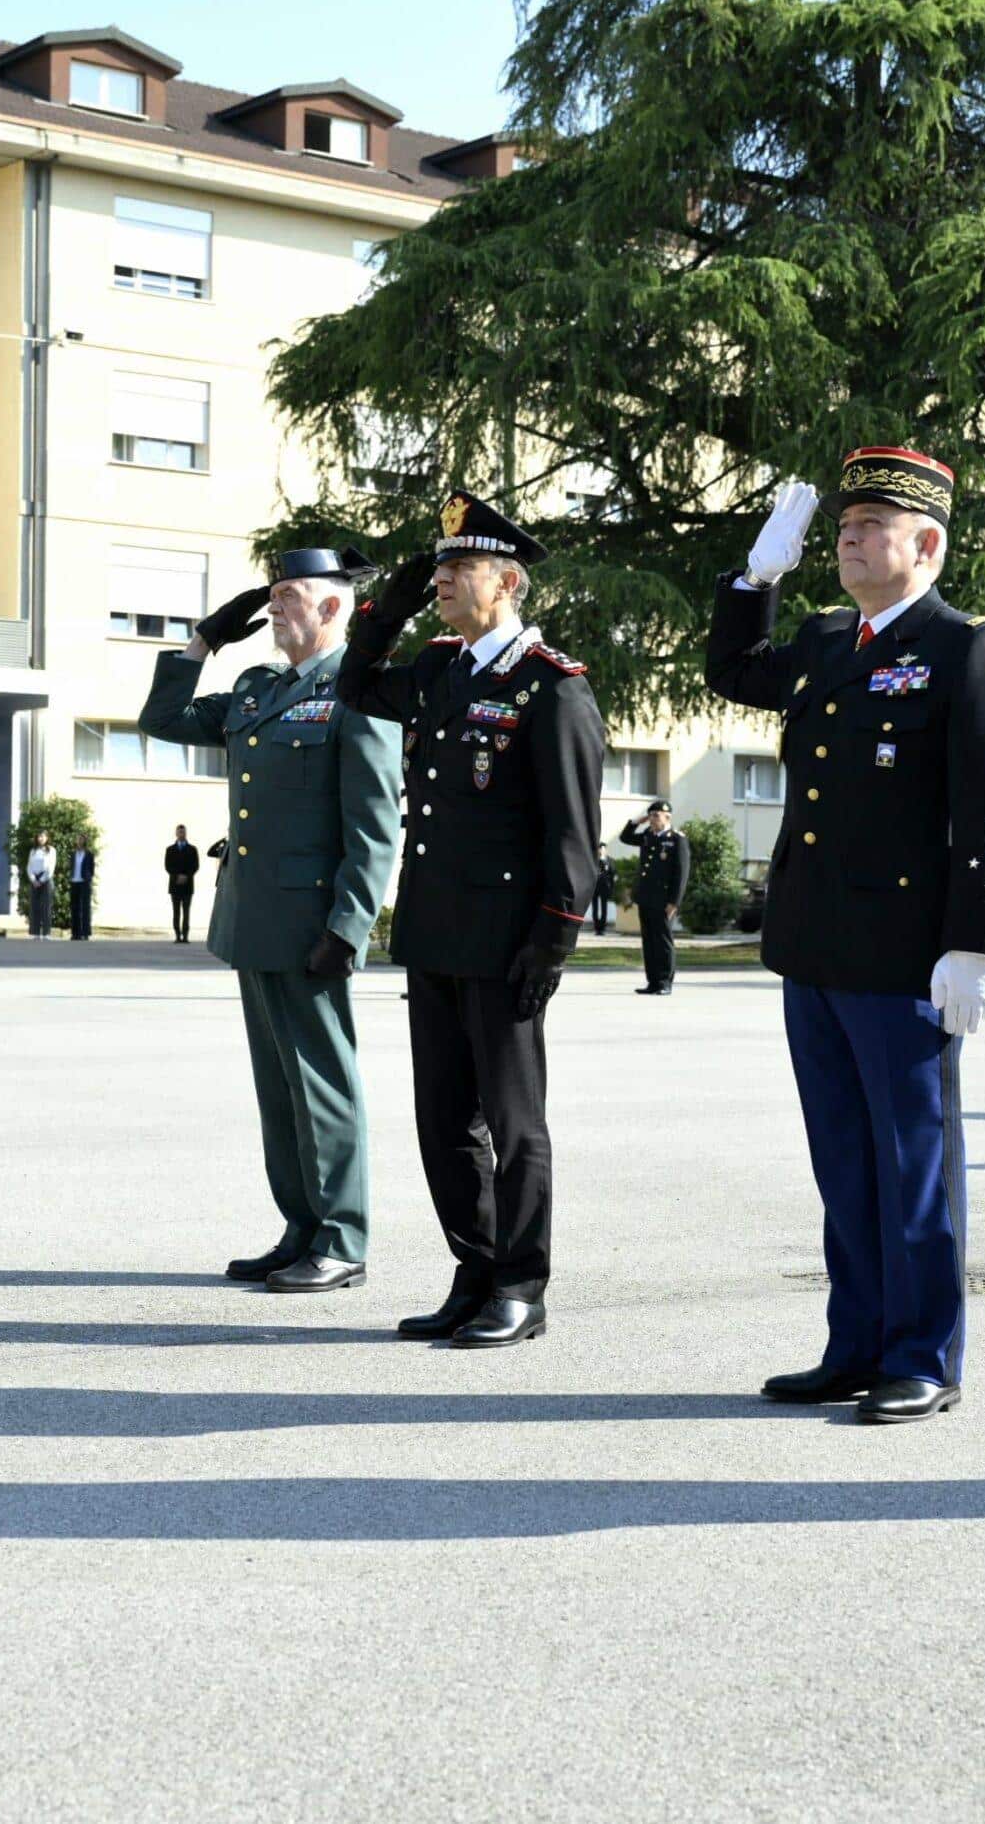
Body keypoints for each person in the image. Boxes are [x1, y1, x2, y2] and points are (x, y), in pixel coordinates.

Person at [709, 447, 985, 1424]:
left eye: (870, 527)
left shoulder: (964, 645)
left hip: (903, 955)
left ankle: (922, 1354)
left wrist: (978, 942)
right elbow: (731, 670)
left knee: (912, 1166)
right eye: (843, 528)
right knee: (843, 1160)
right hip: (813, 946)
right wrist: (753, 579)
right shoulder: (823, 639)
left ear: (925, 543)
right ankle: (853, 1343)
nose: (848, 541)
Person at [337, 492, 603, 1348]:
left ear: (510, 582)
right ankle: (476, 1273)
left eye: (461, 569)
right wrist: (394, 602)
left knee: (515, 1123)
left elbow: (572, 829)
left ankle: (522, 1287)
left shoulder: (550, 687)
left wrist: (553, 938)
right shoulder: (444, 667)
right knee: (444, 1120)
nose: (447, 580)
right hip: (436, 930)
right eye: (441, 568)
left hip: (507, 943)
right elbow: (356, 684)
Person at [143, 547, 406, 1294]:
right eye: (274, 593)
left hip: (313, 924)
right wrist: (201, 643)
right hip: (254, 919)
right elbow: (161, 718)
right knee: (280, 1088)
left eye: (289, 594)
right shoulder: (258, 689)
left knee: (324, 1085)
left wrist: (348, 929)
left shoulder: (361, 692)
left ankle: (343, 1238)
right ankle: (300, 1229)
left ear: (331, 607)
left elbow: (374, 828)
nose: (274, 606)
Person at [619, 801, 689, 995]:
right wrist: (636, 821)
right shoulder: (648, 836)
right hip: (646, 898)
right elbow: (625, 837)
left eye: (656, 815)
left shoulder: (676, 839)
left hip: (664, 900)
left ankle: (665, 982)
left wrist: (674, 902)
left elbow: (681, 874)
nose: (652, 819)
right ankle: (653, 981)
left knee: (663, 941)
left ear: (668, 817)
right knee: (648, 941)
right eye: (650, 816)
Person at [164, 826, 201, 944]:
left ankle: (185, 936)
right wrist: (177, 876)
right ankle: (177, 935)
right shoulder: (170, 849)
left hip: (187, 885)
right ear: (176, 833)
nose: (181, 834)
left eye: (183, 832)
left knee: (186, 911)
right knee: (176, 912)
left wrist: (186, 876)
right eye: (179, 832)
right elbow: (168, 866)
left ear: (186, 833)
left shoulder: (192, 849)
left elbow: (195, 866)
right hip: (174, 885)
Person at [25, 831, 55, 939]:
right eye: (39, 836)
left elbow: (51, 868)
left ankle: (46, 933)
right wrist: (33, 879)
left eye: (42, 836)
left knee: (46, 907)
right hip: (34, 879)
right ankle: (35, 933)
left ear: (47, 838)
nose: (40, 838)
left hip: (46, 879)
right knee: (34, 906)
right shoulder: (33, 851)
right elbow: (29, 866)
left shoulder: (51, 850)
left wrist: (41, 880)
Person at [67, 842, 96, 940]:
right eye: (77, 841)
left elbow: (92, 868)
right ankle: (76, 933)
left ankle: (85, 933)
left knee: (85, 908)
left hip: (84, 882)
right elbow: (71, 866)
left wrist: (89, 877)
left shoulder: (89, 854)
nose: (79, 843)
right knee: (75, 908)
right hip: (74, 881)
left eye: (81, 841)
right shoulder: (73, 854)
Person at [591, 851, 617, 935]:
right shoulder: (594, 858)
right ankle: (596, 927)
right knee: (595, 908)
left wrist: (612, 886)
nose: (601, 850)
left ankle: (602, 928)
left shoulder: (609, 860)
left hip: (604, 887)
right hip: (594, 887)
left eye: (603, 849)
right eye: (600, 849)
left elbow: (613, 873)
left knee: (604, 908)